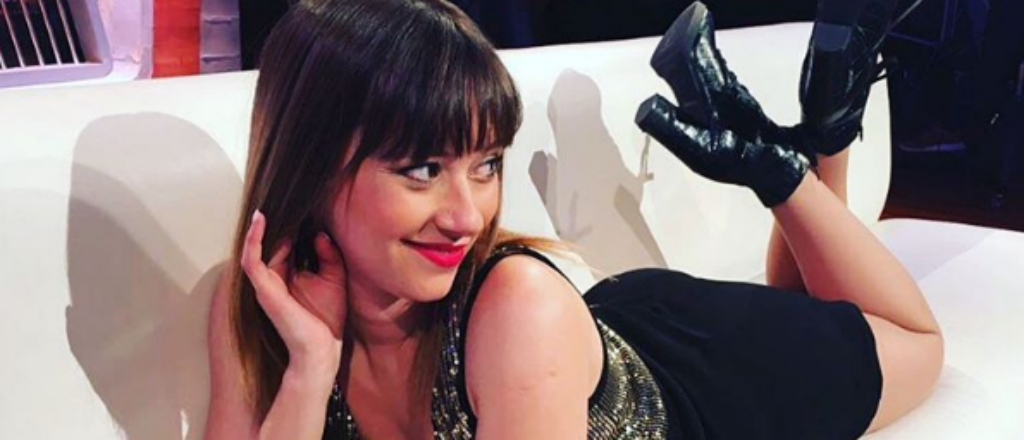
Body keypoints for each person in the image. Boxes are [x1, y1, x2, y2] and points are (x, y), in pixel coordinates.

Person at [204, 0, 944, 439]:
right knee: (802, 301)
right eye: (422, 170)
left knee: (917, 343)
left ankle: (789, 163)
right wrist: (309, 373)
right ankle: (816, 130)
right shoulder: (264, 303)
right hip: (592, 337)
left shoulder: (515, 311)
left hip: (709, 377)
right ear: (313, 163)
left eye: (485, 164)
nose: (468, 215)